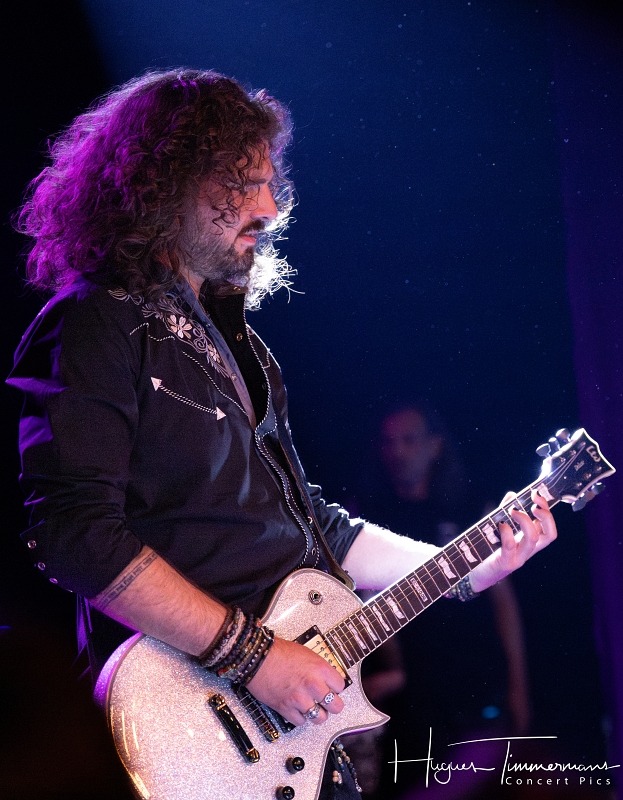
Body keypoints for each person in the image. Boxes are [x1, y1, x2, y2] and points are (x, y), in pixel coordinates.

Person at [7, 69, 557, 800]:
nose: (268, 207)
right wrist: (252, 656)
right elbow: (72, 532)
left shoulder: (245, 350)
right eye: (241, 184)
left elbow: (311, 526)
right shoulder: (97, 321)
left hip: (294, 738)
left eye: (268, 183)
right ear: (163, 184)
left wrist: (462, 567)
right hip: (190, 722)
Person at [348, 403, 532, 799]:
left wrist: (519, 685)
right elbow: (364, 596)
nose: (397, 451)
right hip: (409, 686)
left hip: (471, 673)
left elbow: (503, 600)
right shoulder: (367, 516)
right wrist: (394, 669)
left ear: (435, 445)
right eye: (389, 442)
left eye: (409, 440)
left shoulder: (470, 508)